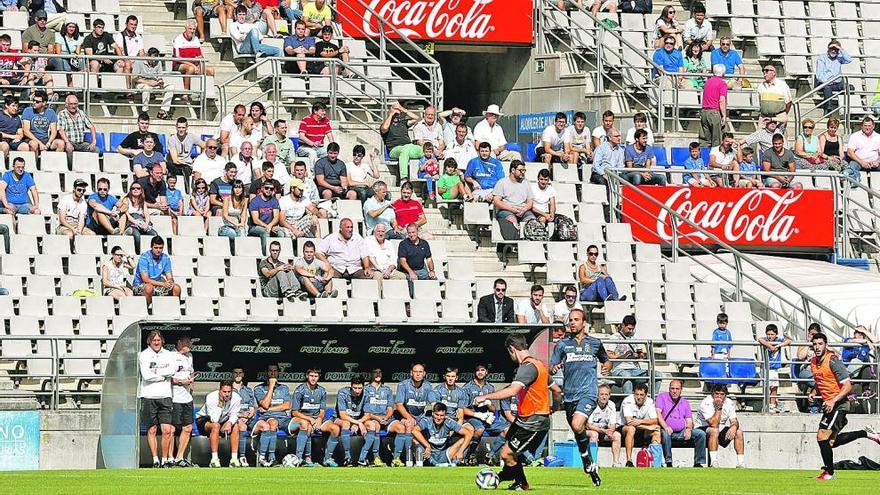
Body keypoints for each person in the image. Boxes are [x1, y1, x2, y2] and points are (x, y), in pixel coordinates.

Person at [549, 309, 607, 486]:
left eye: (576, 320)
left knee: (576, 424)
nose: (572, 323)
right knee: (577, 431)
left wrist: (607, 366)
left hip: (588, 393)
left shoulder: (595, 343)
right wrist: (553, 368)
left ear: (584, 322)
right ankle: (588, 462)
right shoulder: (562, 345)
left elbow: (606, 359)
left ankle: (587, 460)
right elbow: (551, 365)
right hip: (570, 395)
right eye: (570, 320)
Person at [138, 330, 175, 468]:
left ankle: (165, 459)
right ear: (149, 341)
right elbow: (146, 376)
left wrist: (157, 373)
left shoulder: (169, 355)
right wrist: (163, 376)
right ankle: (155, 459)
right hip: (148, 396)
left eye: (158, 340)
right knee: (152, 430)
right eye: (154, 340)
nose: (156, 342)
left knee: (166, 430)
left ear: (162, 341)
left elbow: (172, 370)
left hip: (165, 396)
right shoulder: (144, 355)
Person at [388, 363, 433, 467]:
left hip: (420, 417)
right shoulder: (403, 385)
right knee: (409, 425)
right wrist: (409, 417)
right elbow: (398, 405)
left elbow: (433, 402)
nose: (418, 374)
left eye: (420, 372)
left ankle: (425, 455)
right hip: (403, 416)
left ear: (424, 374)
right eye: (415, 372)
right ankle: (404, 459)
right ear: (411, 373)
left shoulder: (428, 386)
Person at [290, 369, 339, 467]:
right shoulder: (300, 390)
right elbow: (294, 412)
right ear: (307, 376)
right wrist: (310, 419)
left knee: (335, 429)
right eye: (311, 375)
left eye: (316, 376)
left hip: (317, 419)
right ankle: (305, 458)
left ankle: (327, 459)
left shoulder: (321, 391)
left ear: (319, 377)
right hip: (301, 419)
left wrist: (319, 419)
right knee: (306, 425)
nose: (313, 378)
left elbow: (322, 410)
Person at [656, 379, 706, 467]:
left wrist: (688, 429)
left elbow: (689, 420)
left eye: (677, 389)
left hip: (681, 431)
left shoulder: (685, 402)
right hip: (666, 430)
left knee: (701, 434)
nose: (674, 391)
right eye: (672, 388)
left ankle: (698, 462)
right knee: (665, 433)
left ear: (681, 390)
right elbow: (658, 414)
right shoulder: (662, 397)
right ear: (669, 389)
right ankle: (668, 462)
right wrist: (666, 426)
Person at [694, 384, 745, 468]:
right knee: (714, 430)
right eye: (716, 394)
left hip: (719, 428)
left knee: (738, 432)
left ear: (725, 395)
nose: (719, 396)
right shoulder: (706, 402)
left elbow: (734, 420)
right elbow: (713, 423)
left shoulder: (729, 402)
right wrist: (719, 408)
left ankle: (740, 462)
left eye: (722, 394)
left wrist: (734, 427)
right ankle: (714, 461)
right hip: (702, 429)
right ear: (712, 394)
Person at [252, 363, 292, 466]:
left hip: (284, 419)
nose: (273, 373)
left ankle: (304, 459)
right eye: (270, 371)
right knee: (272, 423)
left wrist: (269, 408)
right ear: (266, 373)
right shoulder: (258, 389)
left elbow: (287, 405)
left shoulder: (284, 388)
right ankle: (270, 457)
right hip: (266, 418)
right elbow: (264, 404)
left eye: (275, 371)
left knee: (303, 425)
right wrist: (271, 386)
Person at [196, 379, 242, 467]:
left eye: (229, 391)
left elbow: (234, 414)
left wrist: (229, 423)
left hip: (224, 419)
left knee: (235, 426)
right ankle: (214, 459)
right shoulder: (211, 397)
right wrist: (221, 403)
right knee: (216, 426)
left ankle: (234, 459)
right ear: (220, 390)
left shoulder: (236, 397)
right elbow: (214, 419)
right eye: (224, 392)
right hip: (205, 420)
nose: (227, 394)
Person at [413, 402, 473, 467]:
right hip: (429, 452)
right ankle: (428, 463)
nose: (439, 418)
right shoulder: (426, 421)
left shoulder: (448, 422)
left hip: (445, 453)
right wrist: (427, 446)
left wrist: (460, 451)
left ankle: (454, 464)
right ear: (432, 413)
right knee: (414, 439)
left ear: (445, 415)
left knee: (466, 440)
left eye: (441, 415)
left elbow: (468, 434)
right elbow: (414, 430)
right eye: (437, 415)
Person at [607, 315, 656, 394]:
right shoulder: (615, 337)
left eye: (632, 329)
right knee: (627, 376)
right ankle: (629, 403)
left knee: (657, 375)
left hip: (635, 369)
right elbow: (609, 354)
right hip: (619, 369)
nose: (631, 331)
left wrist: (639, 355)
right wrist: (624, 356)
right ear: (623, 325)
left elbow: (642, 354)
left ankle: (652, 400)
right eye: (629, 328)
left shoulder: (635, 337)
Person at [618, 383, 661, 467]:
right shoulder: (627, 401)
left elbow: (655, 420)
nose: (638, 397)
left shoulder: (650, 401)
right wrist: (646, 425)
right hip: (623, 428)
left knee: (657, 431)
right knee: (631, 429)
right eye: (636, 394)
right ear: (634, 393)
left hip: (640, 427)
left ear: (646, 395)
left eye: (641, 395)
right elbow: (629, 422)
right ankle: (629, 460)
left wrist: (640, 422)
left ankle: (656, 464)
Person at [169, 337, 195, 468]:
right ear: (179, 343)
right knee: (172, 428)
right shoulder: (170, 356)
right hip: (174, 398)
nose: (189, 346)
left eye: (190, 343)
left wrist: (191, 388)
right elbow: (167, 377)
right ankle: (169, 458)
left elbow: (191, 373)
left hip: (187, 398)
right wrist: (181, 382)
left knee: (188, 427)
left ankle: (180, 457)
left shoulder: (189, 356)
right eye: (186, 343)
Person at [133, 236, 181, 305]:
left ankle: (172, 310)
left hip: (157, 285)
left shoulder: (165, 258)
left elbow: (169, 276)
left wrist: (170, 282)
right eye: (156, 248)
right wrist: (163, 284)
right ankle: (145, 310)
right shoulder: (144, 257)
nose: (158, 250)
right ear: (151, 247)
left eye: (160, 248)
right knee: (149, 288)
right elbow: (145, 279)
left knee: (176, 288)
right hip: (140, 285)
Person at [381, 102, 423, 180]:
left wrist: (402, 108)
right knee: (404, 151)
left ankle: (425, 173)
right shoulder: (386, 124)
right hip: (394, 149)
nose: (396, 115)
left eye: (397, 114)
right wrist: (391, 114)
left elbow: (417, 118)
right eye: (394, 114)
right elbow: (384, 128)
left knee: (422, 150)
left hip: (409, 146)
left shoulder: (403, 122)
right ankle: (404, 177)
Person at [172, 20, 215, 93]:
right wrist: (192, 65)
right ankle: (185, 92)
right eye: (190, 29)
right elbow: (177, 58)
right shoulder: (178, 39)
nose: (192, 31)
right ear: (186, 28)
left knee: (211, 70)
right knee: (191, 69)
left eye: (194, 29)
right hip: (179, 64)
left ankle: (208, 93)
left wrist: (199, 63)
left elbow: (200, 56)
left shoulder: (196, 39)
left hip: (194, 64)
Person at [333, 376, 368, 466]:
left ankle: (363, 458)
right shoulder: (342, 392)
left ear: (363, 387)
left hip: (357, 420)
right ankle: (347, 458)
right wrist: (358, 423)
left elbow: (368, 414)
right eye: (355, 388)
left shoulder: (367, 394)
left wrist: (359, 422)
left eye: (360, 388)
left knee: (372, 425)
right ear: (351, 386)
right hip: (339, 419)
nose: (357, 391)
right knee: (346, 424)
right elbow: (342, 415)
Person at [132, 47, 174, 121]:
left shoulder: (158, 62)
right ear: (148, 55)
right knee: (146, 88)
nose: (154, 61)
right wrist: (148, 83)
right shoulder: (139, 61)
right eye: (152, 58)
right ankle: (145, 112)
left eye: (155, 59)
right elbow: (134, 78)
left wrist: (160, 81)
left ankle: (163, 111)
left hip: (154, 83)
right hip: (142, 83)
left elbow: (159, 76)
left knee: (171, 87)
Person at [757, 323, 791, 413]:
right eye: (768, 334)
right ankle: (766, 405)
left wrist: (778, 345)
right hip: (766, 368)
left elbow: (789, 341)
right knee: (766, 386)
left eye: (772, 334)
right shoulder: (765, 340)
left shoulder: (778, 340)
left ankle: (772, 405)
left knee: (774, 387)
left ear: (776, 334)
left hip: (774, 368)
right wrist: (770, 346)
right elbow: (759, 339)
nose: (770, 336)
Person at [364, 223, 407, 292]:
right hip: (376, 270)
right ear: (374, 232)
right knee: (378, 276)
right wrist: (382, 270)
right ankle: (379, 298)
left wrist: (389, 270)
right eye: (378, 231)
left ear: (386, 233)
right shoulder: (369, 240)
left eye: (383, 231)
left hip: (389, 270)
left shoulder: (389, 243)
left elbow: (394, 260)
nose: (380, 234)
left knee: (402, 277)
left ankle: (398, 299)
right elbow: (371, 258)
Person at [585, 384, 621, 466]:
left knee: (617, 435)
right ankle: (593, 461)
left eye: (606, 395)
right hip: (588, 431)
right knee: (594, 434)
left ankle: (616, 463)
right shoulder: (591, 404)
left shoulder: (612, 405)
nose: (604, 397)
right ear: (597, 395)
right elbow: (588, 425)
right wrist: (603, 431)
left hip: (604, 431)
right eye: (601, 394)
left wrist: (610, 431)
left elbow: (613, 425)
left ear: (609, 396)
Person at [493, 160, 535, 229]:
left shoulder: (526, 182)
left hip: (523, 210)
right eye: (521, 170)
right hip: (506, 210)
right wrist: (512, 209)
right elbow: (496, 201)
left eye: (524, 170)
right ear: (513, 170)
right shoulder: (502, 182)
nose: (523, 172)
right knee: (512, 222)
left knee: (532, 222)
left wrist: (524, 209)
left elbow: (530, 201)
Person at [815, 40, 852, 112]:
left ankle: (849, 109)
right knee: (827, 88)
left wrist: (840, 49)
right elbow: (819, 75)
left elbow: (849, 60)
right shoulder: (822, 57)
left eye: (836, 49)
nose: (834, 51)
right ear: (828, 49)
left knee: (850, 88)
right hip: (825, 83)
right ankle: (828, 110)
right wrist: (827, 81)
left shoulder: (839, 58)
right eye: (832, 48)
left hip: (837, 83)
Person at [248, 178, 283, 254]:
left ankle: (280, 256)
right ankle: (266, 255)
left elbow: (276, 217)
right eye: (266, 188)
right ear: (262, 188)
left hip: (270, 226)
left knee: (281, 233)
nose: (269, 190)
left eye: (271, 188)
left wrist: (270, 226)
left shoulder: (274, 201)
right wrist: (267, 226)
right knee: (265, 232)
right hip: (255, 227)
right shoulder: (255, 201)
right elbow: (255, 220)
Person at [119, 182, 157, 252]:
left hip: (141, 222)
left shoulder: (142, 201)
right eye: (133, 188)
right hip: (131, 222)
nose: (135, 190)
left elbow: (147, 215)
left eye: (138, 188)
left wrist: (146, 224)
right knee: (137, 236)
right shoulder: (126, 200)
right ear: (130, 190)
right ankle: (138, 253)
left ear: (141, 191)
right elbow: (126, 214)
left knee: (154, 234)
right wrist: (136, 223)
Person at [22, 90, 63, 154]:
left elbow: (54, 131)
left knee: (60, 143)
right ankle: (35, 163)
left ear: (44, 103)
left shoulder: (51, 112)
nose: (34, 103)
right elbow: (26, 131)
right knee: (34, 144)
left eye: (37, 102)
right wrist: (39, 143)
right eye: (33, 100)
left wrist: (48, 143)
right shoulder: (28, 111)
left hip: (45, 139)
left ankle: (54, 163)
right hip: (32, 138)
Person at [841, 326, 876, 398]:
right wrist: (866, 341)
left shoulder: (865, 346)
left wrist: (865, 332)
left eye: (862, 333)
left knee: (866, 365)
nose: (860, 334)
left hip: (858, 375)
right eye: (858, 332)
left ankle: (866, 390)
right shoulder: (848, 340)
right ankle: (850, 392)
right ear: (854, 334)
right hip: (847, 373)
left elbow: (877, 341)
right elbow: (851, 341)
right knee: (857, 361)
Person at [397, 223, 436, 287]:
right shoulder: (403, 244)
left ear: (417, 232)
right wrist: (411, 272)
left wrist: (432, 271)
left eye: (413, 232)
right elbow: (402, 261)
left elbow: (429, 259)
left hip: (421, 270)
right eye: (409, 233)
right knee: (411, 280)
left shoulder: (424, 243)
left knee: (432, 279)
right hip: (406, 271)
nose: (411, 235)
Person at [845, 116, 880, 184]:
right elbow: (850, 152)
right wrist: (861, 162)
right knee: (851, 168)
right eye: (865, 125)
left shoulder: (878, 137)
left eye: (869, 126)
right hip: (858, 161)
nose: (867, 128)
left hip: (875, 163)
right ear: (861, 126)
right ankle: (855, 183)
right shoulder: (855, 136)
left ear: (873, 126)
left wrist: (878, 161)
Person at [231, 367, 254, 466]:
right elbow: (227, 410)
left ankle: (265, 458)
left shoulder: (248, 390)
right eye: (236, 373)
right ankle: (242, 456)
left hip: (248, 418)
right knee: (242, 427)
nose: (238, 375)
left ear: (243, 375)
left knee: (265, 427)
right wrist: (240, 416)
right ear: (232, 374)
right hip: (234, 418)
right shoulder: (228, 390)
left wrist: (247, 417)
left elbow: (252, 409)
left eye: (240, 373)